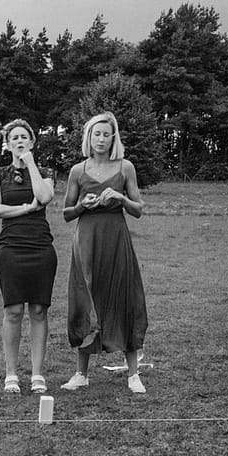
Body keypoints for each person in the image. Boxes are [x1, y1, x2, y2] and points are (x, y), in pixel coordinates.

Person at [60, 112, 149, 394]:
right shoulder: (77, 170)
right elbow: (66, 213)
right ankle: (81, 373)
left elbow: (138, 209)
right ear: (89, 137)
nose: (101, 139)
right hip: (87, 241)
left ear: (113, 138)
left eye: (106, 134)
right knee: (86, 299)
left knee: (125, 298)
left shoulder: (125, 168)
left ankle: (133, 374)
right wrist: (83, 205)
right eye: (96, 134)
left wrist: (121, 197)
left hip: (116, 239)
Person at [0, 118, 58, 394]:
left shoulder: (45, 170)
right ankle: (11, 374)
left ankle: (38, 374)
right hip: (11, 249)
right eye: (13, 138)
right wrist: (26, 209)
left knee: (39, 310)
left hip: (41, 248)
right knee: (13, 311)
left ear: (32, 142)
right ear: (7, 144)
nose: (19, 141)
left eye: (23, 137)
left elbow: (45, 196)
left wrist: (30, 164)